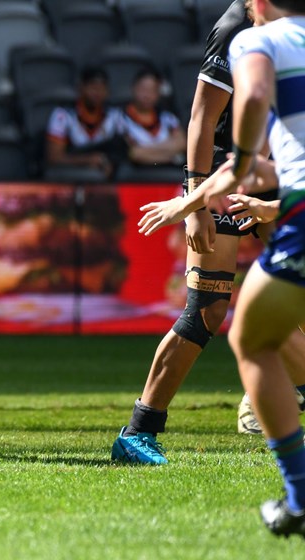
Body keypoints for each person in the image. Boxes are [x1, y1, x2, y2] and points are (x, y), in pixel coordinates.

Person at [110, 0, 305, 466]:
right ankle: (138, 432)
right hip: (226, 176)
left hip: (273, 171)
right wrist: (194, 203)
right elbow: (202, 116)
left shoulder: (283, 30)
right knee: (207, 310)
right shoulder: (237, 27)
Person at [200, 0, 305, 536]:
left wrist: (236, 168)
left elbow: (256, 94)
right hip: (288, 201)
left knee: (252, 336)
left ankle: (301, 498)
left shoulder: (254, 39)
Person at [45, 65, 126, 180]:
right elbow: (54, 157)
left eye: (102, 88)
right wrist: (87, 160)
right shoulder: (63, 115)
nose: (97, 93)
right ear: (81, 88)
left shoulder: (115, 116)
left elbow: (125, 149)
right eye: (93, 88)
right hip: (71, 172)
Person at [121, 67, 186, 167]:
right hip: (134, 174)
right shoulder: (119, 118)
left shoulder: (168, 118)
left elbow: (181, 144)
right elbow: (134, 154)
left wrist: (145, 150)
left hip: (167, 175)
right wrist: (171, 156)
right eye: (143, 89)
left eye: (152, 90)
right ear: (133, 88)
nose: (147, 95)